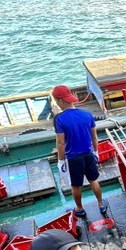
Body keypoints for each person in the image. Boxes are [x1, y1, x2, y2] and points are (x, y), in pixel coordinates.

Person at [52, 85, 107, 218]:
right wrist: (95, 151)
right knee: (94, 180)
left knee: (76, 185)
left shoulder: (59, 119)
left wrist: (60, 160)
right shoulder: (87, 115)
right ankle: (101, 204)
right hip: (88, 154)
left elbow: (60, 142)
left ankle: (79, 208)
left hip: (73, 158)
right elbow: (94, 137)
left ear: (60, 101)